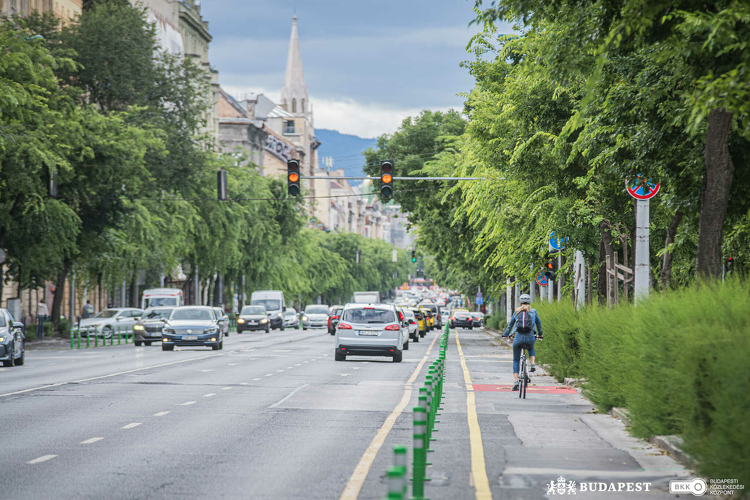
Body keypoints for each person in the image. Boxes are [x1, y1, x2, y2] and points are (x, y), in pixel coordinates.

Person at [502, 293, 543, 391]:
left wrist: (506, 334)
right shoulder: (533, 312)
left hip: (518, 338)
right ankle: (532, 364)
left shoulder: (516, 312)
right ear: (530, 303)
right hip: (530, 337)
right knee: (531, 346)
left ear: (520, 303)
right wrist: (540, 334)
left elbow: (510, 324)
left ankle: (516, 381)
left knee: (516, 360)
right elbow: (539, 324)